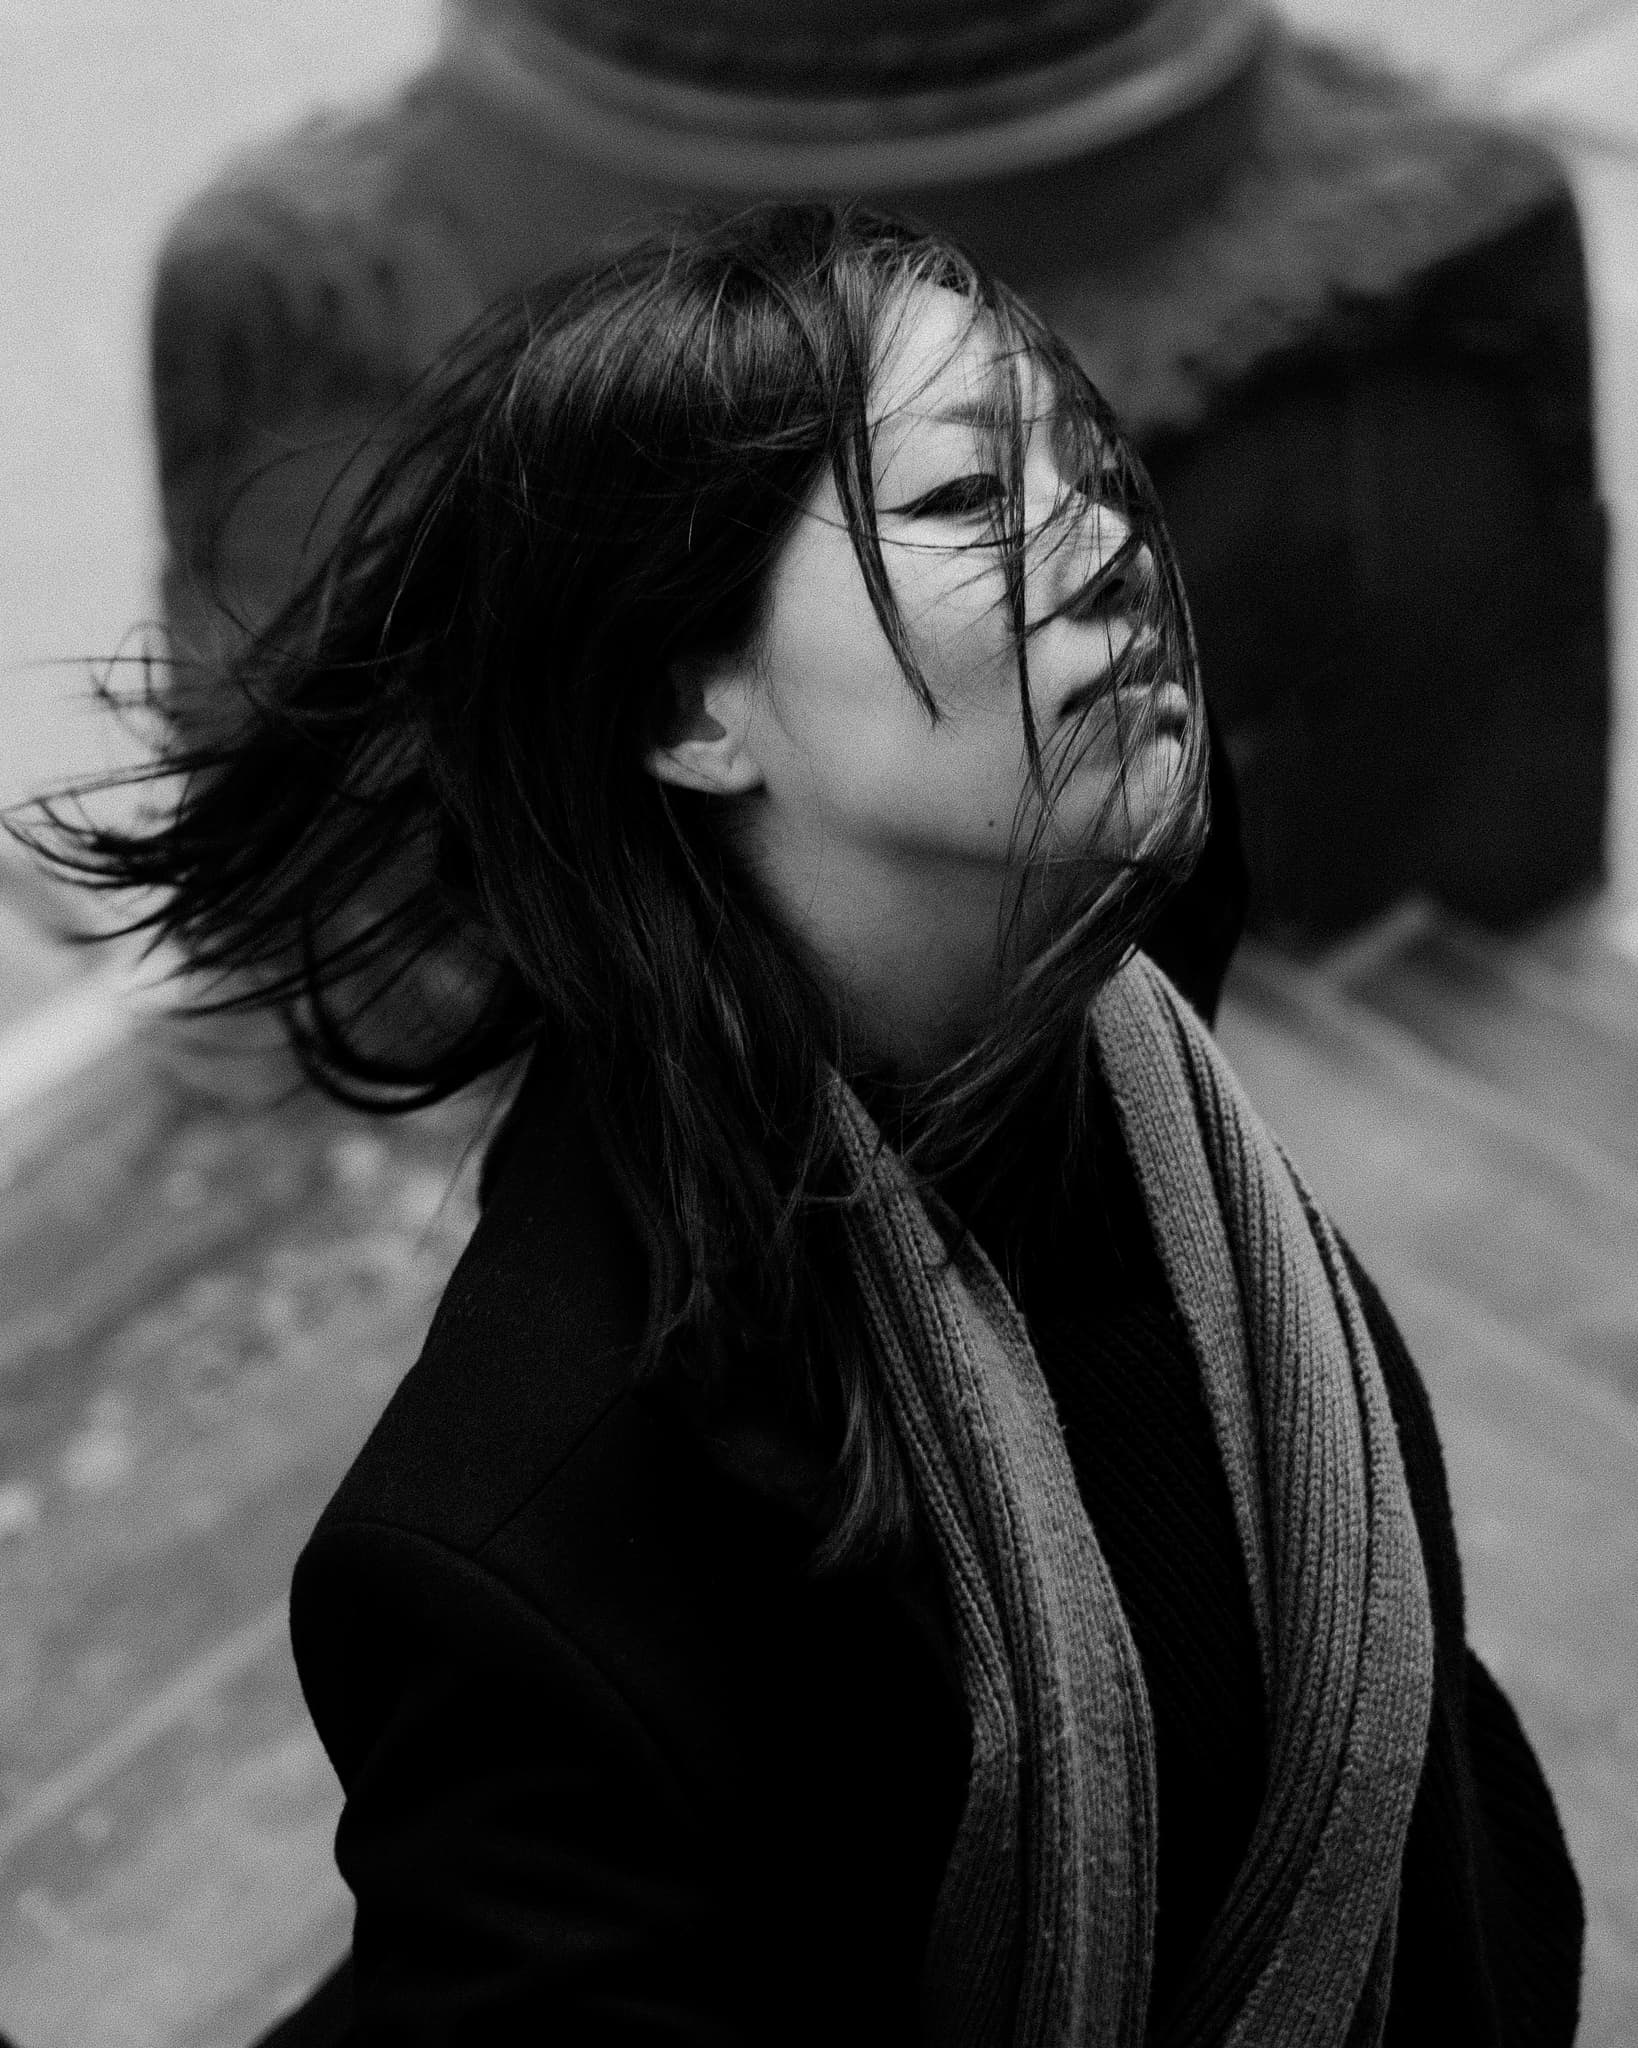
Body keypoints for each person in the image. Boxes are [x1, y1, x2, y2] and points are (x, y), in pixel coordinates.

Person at [38, 203, 1580, 2046]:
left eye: (1078, 465)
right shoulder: (536, 1557)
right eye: (957, 502)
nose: (1104, 553)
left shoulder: (1110, 932)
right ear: (688, 706)